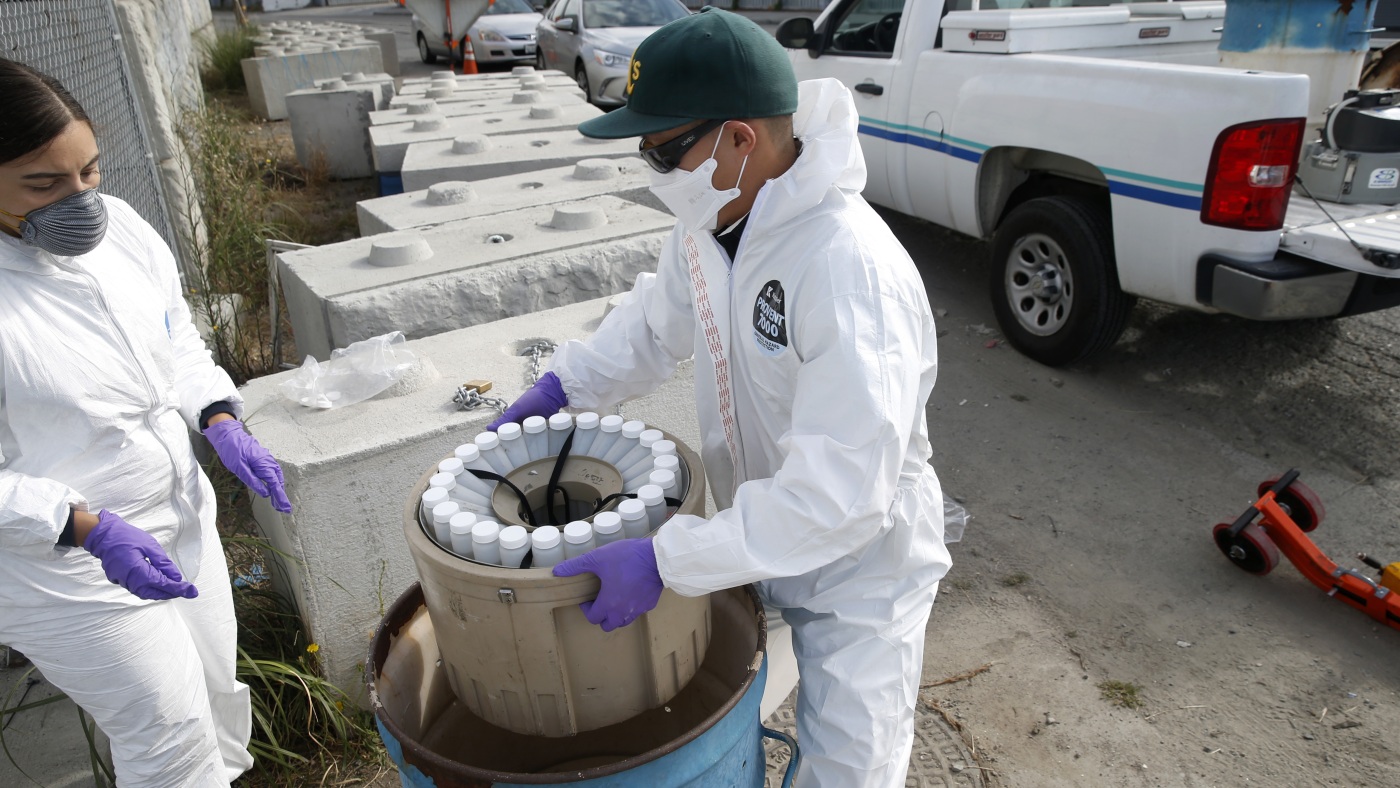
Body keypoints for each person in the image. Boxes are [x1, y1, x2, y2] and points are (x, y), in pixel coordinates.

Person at [487, 9, 953, 787]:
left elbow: (839, 498)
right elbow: (653, 322)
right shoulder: (715, 220)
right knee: (719, 711)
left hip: (858, 569)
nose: (652, 170)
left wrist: (668, 560)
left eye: (665, 151)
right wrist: (565, 385)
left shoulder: (847, 272)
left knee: (847, 768)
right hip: (758, 534)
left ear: (741, 139)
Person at [0, 58, 292, 786]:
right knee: (169, 737)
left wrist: (217, 414)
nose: (81, 200)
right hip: (61, 570)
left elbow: (176, 340)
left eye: (90, 172)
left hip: (180, 523)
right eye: (45, 183)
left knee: (219, 702)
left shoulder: (122, 231)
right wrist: (80, 527)